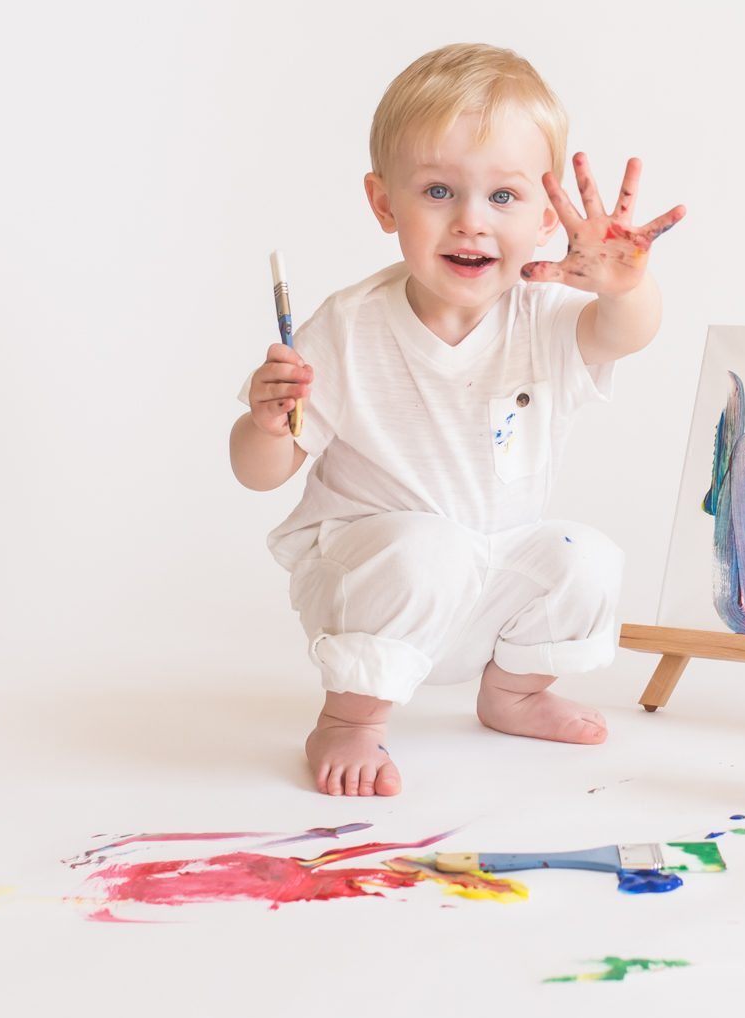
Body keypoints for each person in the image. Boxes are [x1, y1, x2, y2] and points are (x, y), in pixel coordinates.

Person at [230, 44, 685, 796]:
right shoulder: (347, 327)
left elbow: (626, 332)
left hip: (483, 585)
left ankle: (513, 692)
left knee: (587, 556)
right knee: (429, 548)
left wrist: (626, 284)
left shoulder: (543, 318)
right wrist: (267, 423)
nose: (471, 221)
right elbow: (259, 474)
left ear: (546, 219)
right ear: (384, 204)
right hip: (373, 588)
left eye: (503, 197)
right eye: (438, 191)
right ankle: (349, 720)